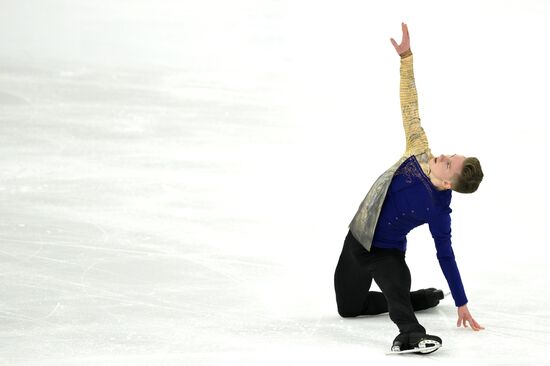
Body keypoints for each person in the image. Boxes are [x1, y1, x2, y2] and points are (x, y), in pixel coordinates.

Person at [334, 22, 485, 354]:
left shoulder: (438, 210)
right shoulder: (419, 150)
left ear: (448, 182)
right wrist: (406, 59)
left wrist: (461, 301)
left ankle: (412, 335)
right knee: (348, 307)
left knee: (395, 289)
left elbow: (446, 255)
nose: (443, 155)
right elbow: (410, 107)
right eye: (451, 155)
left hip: (386, 253)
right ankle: (417, 299)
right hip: (357, 238)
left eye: (448, 162)